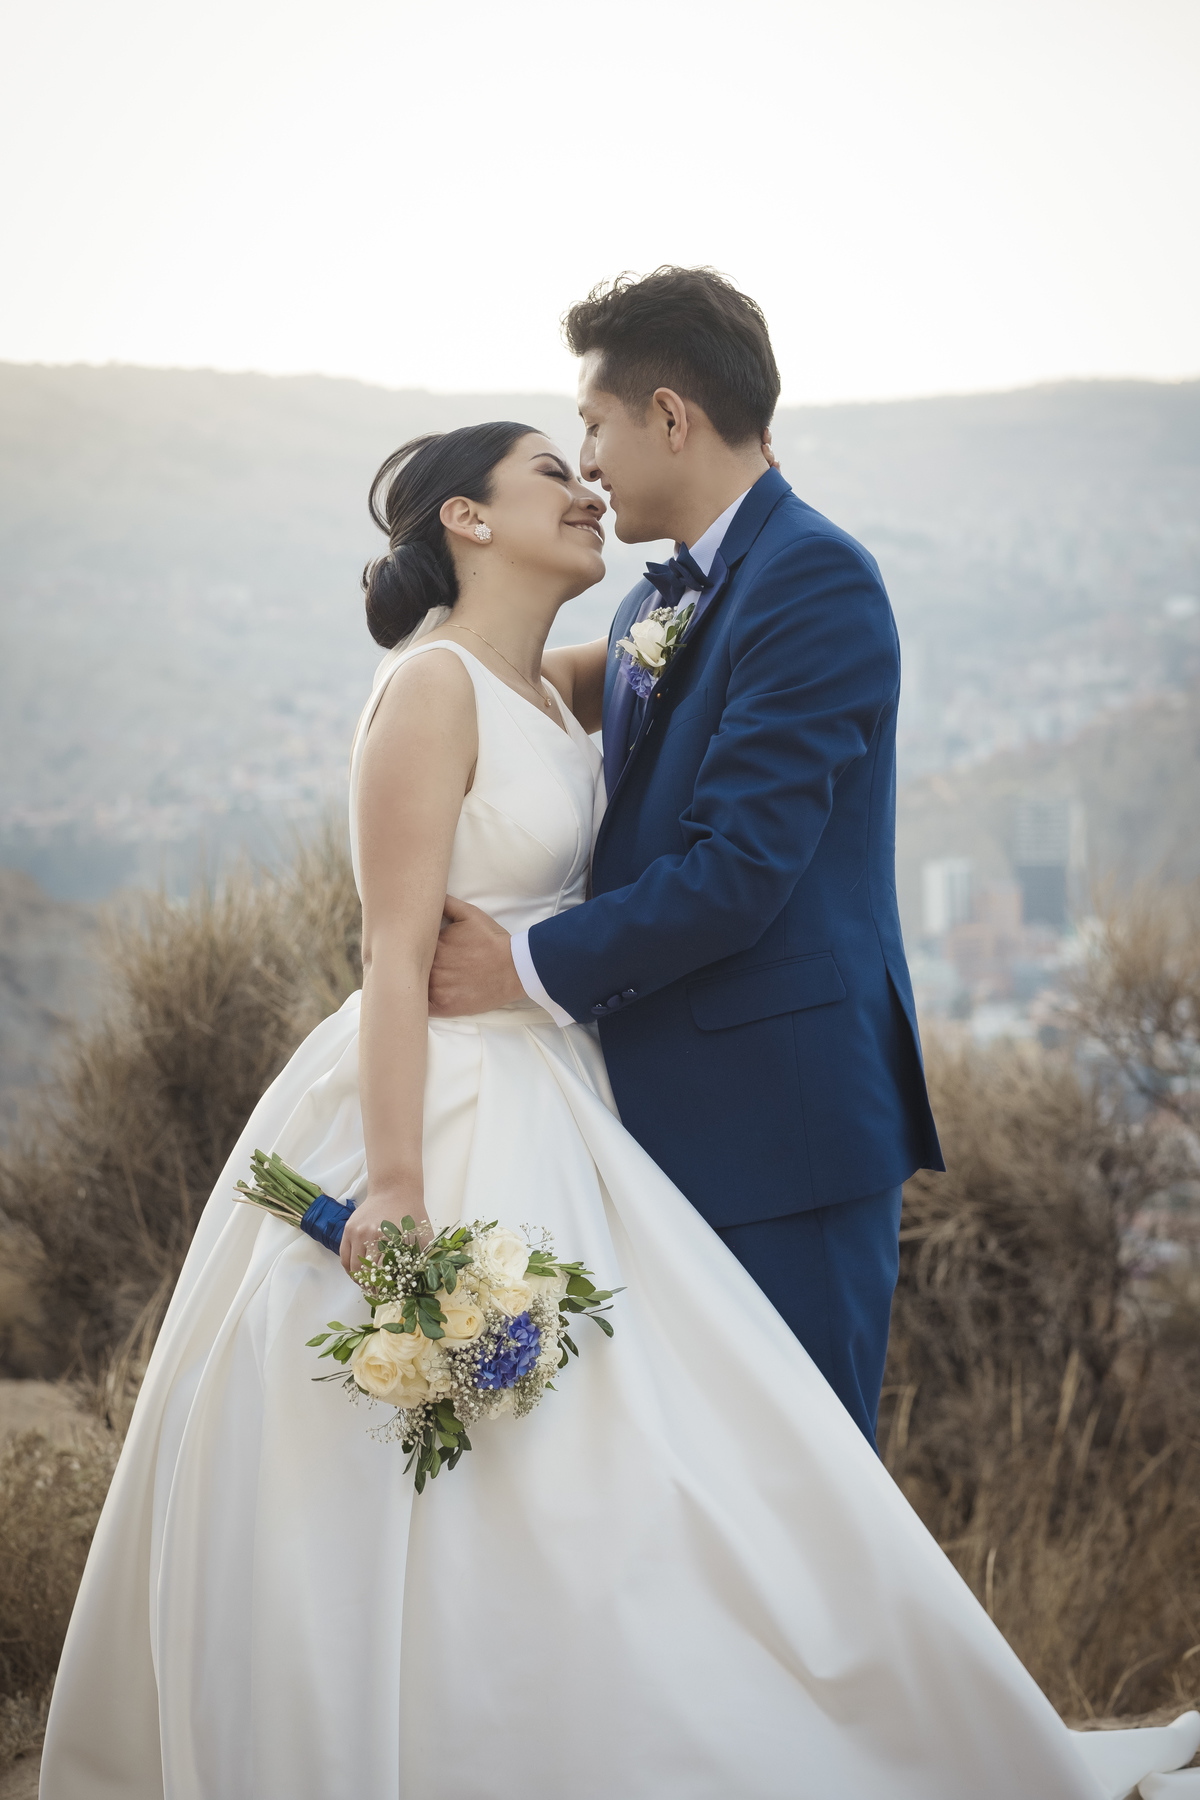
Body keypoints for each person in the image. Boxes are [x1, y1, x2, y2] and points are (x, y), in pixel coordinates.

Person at [39, 416, 1195, 1799]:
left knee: (629, 1454)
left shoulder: (550, 684)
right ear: (466, 520)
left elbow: (694, 667)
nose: (588, 483)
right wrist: (395, 1185)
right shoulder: (431, 691)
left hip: (568, 1097)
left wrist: (720, 548)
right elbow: (393, 959)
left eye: (591, 449)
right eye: (553, 468)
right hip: (447, 1098)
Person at [428, 267, 943, 1448]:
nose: (588, 464)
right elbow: (535, 691)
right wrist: (438, 679)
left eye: (593, 425)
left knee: (806, 1482)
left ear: (669, 415)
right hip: (661, 1123)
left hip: (785, 1126)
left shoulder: (811, 578)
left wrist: (521, 966)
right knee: (705, 1499)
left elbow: (738, 873)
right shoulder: (655, 601)